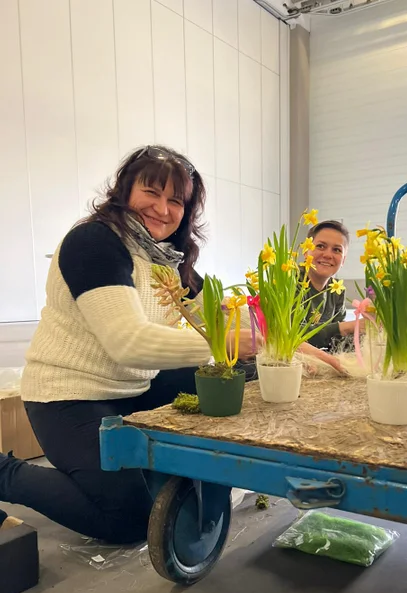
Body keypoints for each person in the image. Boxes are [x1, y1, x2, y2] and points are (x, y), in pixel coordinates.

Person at [0, 146, 340, 541]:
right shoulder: (94, 242)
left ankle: (186, 466)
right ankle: (5, 475)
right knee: (128, 521)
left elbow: (221, 315)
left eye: (175, 200)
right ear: (125, 190)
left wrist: (296, 346)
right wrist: (223, 344)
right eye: (152, 193)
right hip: (70, 397)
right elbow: (128, 343)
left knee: (244, 377)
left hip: (133, 388)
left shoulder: (168, 259)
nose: (162, 209)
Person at [302, 220, 362, 350]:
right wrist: (347, 327)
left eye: (336, 250)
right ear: (306, 251)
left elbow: (336, 340)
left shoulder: (337, 289)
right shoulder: (290, 281)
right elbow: (292, 335)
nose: (328, 255)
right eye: (320, 246)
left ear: (343, 260)